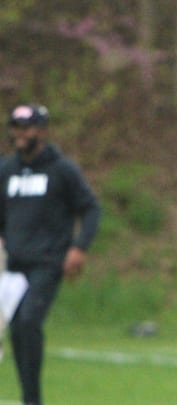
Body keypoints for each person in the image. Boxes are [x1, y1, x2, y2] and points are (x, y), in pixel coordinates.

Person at [0, 103, 101, 405]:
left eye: (26, 128)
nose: (20, 134)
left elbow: (91, 208)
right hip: (12, 266)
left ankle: (32, 399)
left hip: (46, 264)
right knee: (17, 330)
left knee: (28, 321)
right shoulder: (6, 170)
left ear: (42, 131)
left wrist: (78, 247)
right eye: (16, 128)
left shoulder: (62, 170)